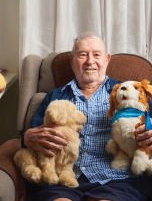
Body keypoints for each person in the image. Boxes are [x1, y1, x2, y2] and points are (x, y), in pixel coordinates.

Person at [24, 33, 152, 201]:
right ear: (72, 60)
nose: (90, 61)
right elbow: (32, 137)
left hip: (116, 180)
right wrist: (27, 137)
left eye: (96, 55)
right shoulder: (55, 96)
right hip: (62, 180)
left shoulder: (129, 93)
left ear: (107, 59)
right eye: (83, 54)